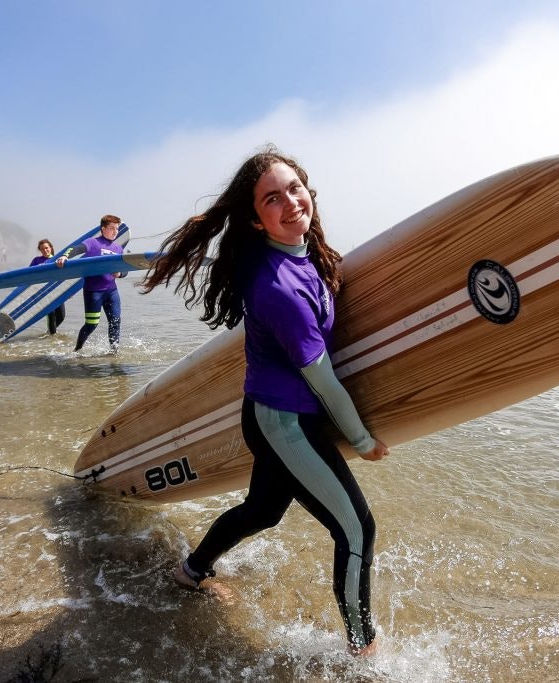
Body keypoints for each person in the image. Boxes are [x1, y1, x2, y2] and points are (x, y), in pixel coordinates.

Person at [140, 148, 389, 656]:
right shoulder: (278, 288)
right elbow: (323, 383)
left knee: (261, 511)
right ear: (257, 219)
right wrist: (362, 441)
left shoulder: (300, 249)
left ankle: (191, 572)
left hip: (270, 414)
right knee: (357, 529)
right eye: (272, 198)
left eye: (295, 188)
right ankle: (364, 648)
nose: (291, 202)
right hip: (286, 424)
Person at [55, 214, 125, 353]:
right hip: (94, 291)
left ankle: (114, 352)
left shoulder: (118, 248)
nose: (115, 231)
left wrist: (120, 274)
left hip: (112, 291)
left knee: (115, 322)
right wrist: (65, 256)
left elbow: (125, 270)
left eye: (117, 228)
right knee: (92, 324)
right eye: (112, 228)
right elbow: (75, 249)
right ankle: (77, 350)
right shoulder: (92, 243)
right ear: (103, 228)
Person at [32, 239, 66, 334]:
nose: (45, 250)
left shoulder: (58, 260)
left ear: (51, 248)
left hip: (57, 291)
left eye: (46, 248)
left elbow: (64, 276)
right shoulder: (36, 260)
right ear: (40, 250)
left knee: (61, 316)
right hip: (44, 292)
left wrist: (67, 291)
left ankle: (48, 333)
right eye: (42, 249)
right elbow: (29, 274)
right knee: (51, 316)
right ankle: (52, 337)